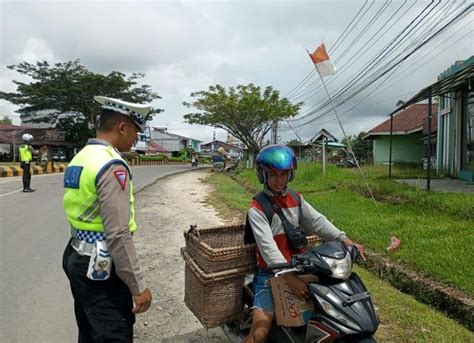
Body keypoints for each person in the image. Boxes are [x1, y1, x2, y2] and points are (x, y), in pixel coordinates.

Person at [244, 145, 366, 343]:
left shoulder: (296, 198)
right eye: (273, 174)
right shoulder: (257, 209)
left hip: (301, 266)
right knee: (259, 335)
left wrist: (344, 239)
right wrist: (289, 278)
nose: (279, 179)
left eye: (284, 174)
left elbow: (317, 222)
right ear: (263, 175)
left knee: (336, 311)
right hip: (270, 274)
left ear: (290, 175)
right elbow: (268, 249)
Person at [62, 96, 153, 343]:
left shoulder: (82, 156)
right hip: (100, 266)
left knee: (89, 330)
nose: (137, 138)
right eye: (136, 130)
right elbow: (118, 234)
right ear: (122, 127)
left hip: (75, 255)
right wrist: (138, 286)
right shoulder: (112, 165)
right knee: (113, 332)